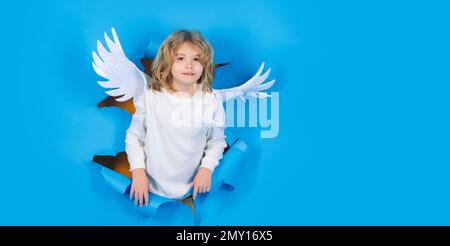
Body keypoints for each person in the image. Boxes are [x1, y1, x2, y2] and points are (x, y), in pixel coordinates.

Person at [125, 30, 227, 208]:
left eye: (196, 59)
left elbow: (216, 141)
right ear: (167, 63)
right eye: (180, 58)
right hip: (149, 187)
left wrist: (206, 169)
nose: (189, 65)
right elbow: (134, 137)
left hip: (191, 190)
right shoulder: (150, 97)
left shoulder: (211, 101)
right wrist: (138, 172)